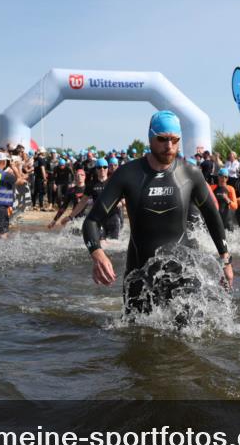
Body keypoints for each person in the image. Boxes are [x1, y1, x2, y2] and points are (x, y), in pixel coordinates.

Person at [82, 110, 232, 318]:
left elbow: (212, 216)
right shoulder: (128, 174)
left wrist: (225, 260)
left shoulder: (190, 174)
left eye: (174, 140)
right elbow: (91, 221)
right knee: (137, 341)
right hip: (139, 275)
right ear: (151, 138)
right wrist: (97, 253)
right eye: (162, 139)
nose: (168, 146)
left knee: (188, 343)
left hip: (183, 274)